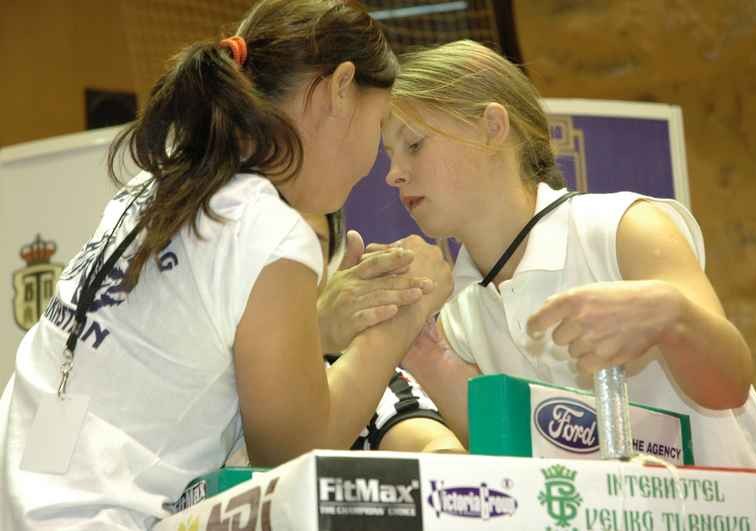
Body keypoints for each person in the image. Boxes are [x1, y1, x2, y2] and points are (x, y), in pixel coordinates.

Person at [0, 1, 453, 529]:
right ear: (339, 88)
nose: (377, 162)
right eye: (378, 125)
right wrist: (398, 320)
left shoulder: (156, 188)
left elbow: (176, 356)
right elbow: (291, 452)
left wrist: (317, 327)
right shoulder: (268, 229)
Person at [380, 39, 756, 470]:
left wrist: (671, 317)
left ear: (492, 127)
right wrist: (416, 344)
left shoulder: (622, 227)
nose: (394, 174)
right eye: (388, 155)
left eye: (413, 144)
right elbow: (510, 451)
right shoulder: (458, 316)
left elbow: (729, 385)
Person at [225, 210, 463, 467]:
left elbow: (439, 453)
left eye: (310, 247)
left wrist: (407, 303)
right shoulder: (212, 359)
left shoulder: (370, 380)